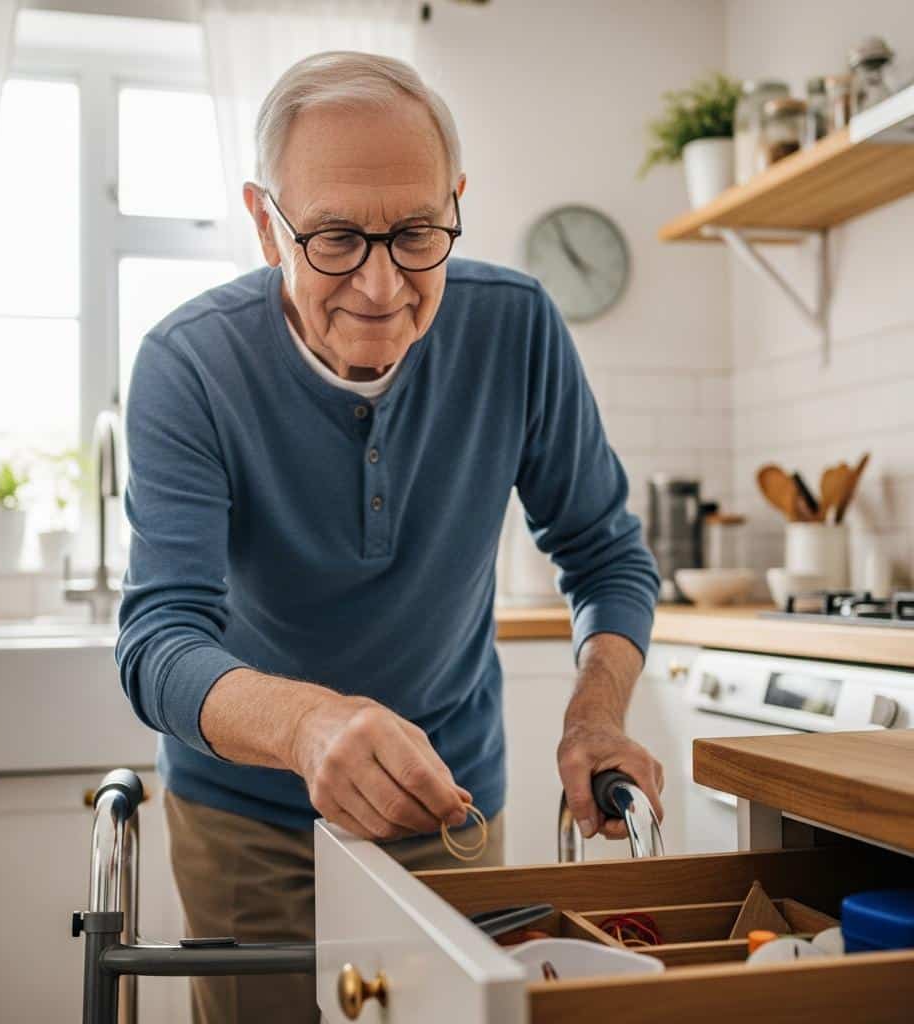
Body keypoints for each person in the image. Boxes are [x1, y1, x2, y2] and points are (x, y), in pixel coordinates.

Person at [117, 49, 663, 1024]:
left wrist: (595, 712)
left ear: (455, 201)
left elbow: (604, 553)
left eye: (416, 233)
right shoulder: (187, 365)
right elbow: (158, 644)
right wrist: (305, 724)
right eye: (332, 238)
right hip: (248, 818)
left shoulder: (518, 328)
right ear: (262, 222)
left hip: (451, 803)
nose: (379, 285)